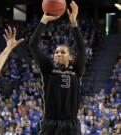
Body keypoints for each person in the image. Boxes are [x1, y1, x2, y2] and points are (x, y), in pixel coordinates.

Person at [28, 1, 85, 135]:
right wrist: (44, 20)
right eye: (56, 52)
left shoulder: (76, 70)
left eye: (63, 52)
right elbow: (33, 45)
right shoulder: (48, 69)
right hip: (51, 123)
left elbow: (82, 49)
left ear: (71, 57)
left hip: (71, 124)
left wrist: (74, 23)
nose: (58, 54)